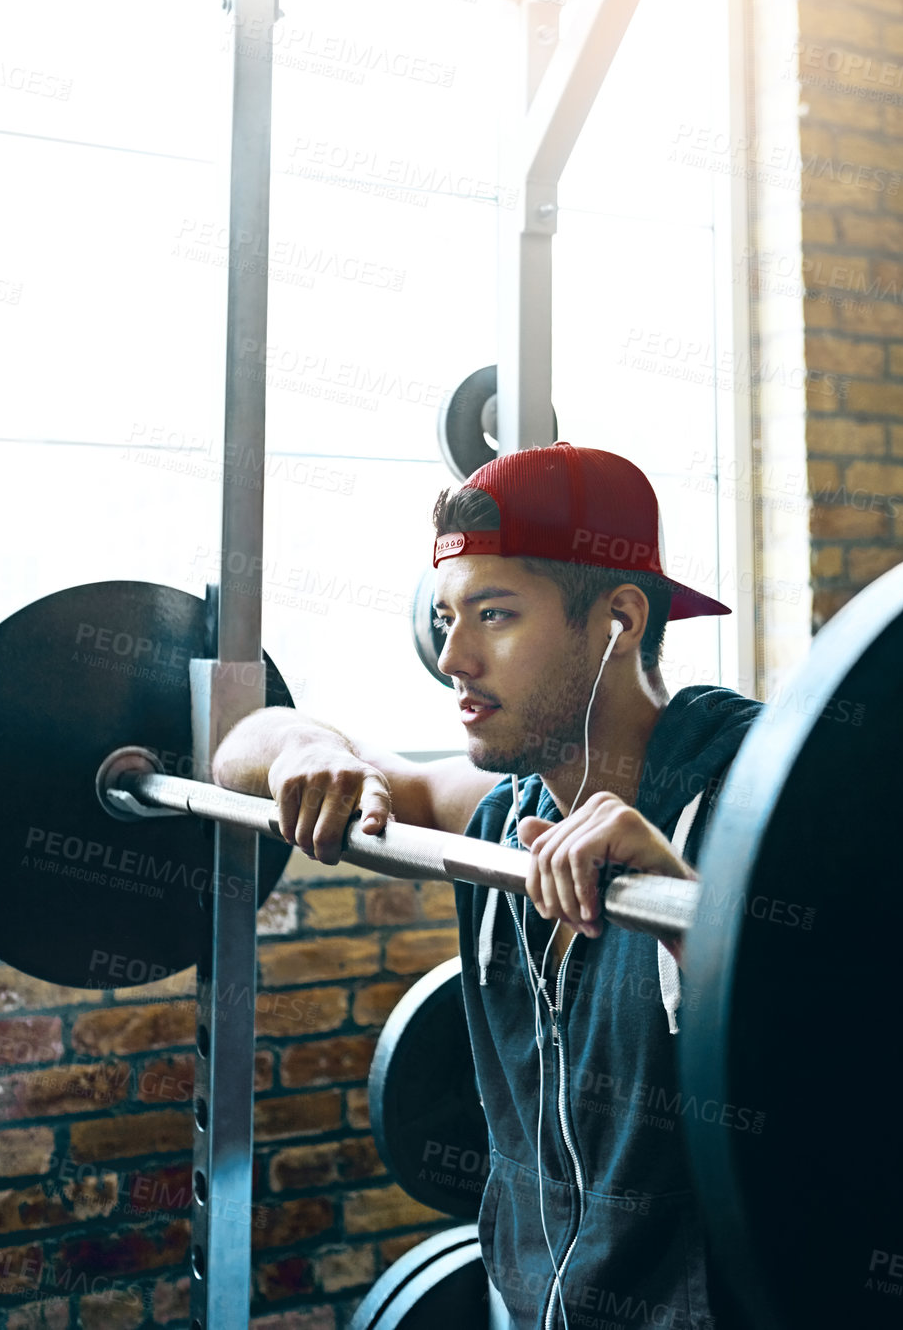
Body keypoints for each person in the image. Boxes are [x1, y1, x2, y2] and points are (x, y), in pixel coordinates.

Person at [213, 441, 762, 1330]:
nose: (452, 658)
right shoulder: (501, 815)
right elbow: (238, 745)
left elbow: (852, 1048)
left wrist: (681, 906)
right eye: (446, 617)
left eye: (494, 614)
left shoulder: (757, 794)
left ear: (619, 618)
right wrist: (307, 749)